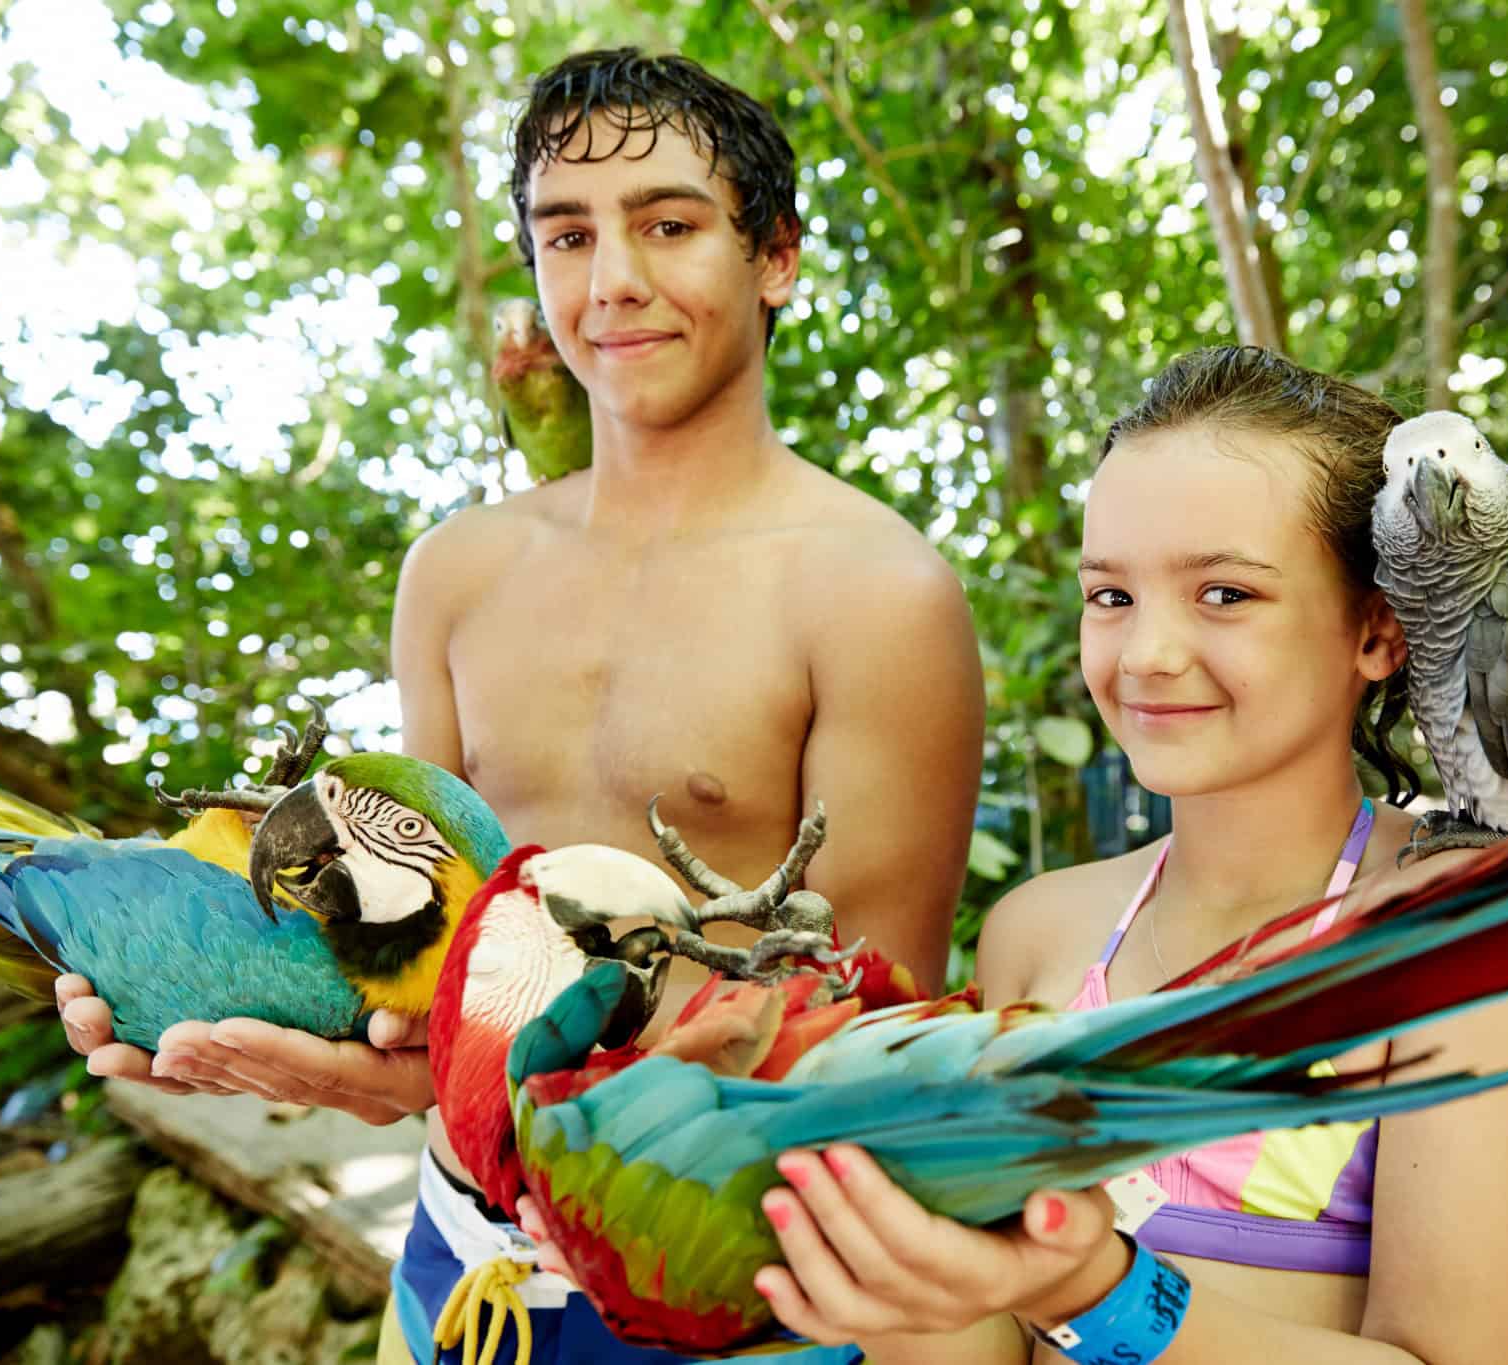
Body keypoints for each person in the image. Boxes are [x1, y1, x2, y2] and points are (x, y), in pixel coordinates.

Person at [54, 47, 985, 1365]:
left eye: (668, 225)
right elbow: (411, 949)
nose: (613, 281)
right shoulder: (458, 573)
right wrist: (204, 993)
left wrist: (534, 1089)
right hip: (460, 1259)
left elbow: (869, 1025)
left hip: (725, 1283)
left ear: (774, 257)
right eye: (568, 234)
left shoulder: (876, 591)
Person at [627, 347, 1508, 1364]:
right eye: (1110, 596)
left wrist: (1102, 1287)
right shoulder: (1039, 934)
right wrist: (827, 1207)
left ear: (1377, 630)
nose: (1145, 656)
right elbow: (984, 1343)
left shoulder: (1472, 945)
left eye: (1223, 595)